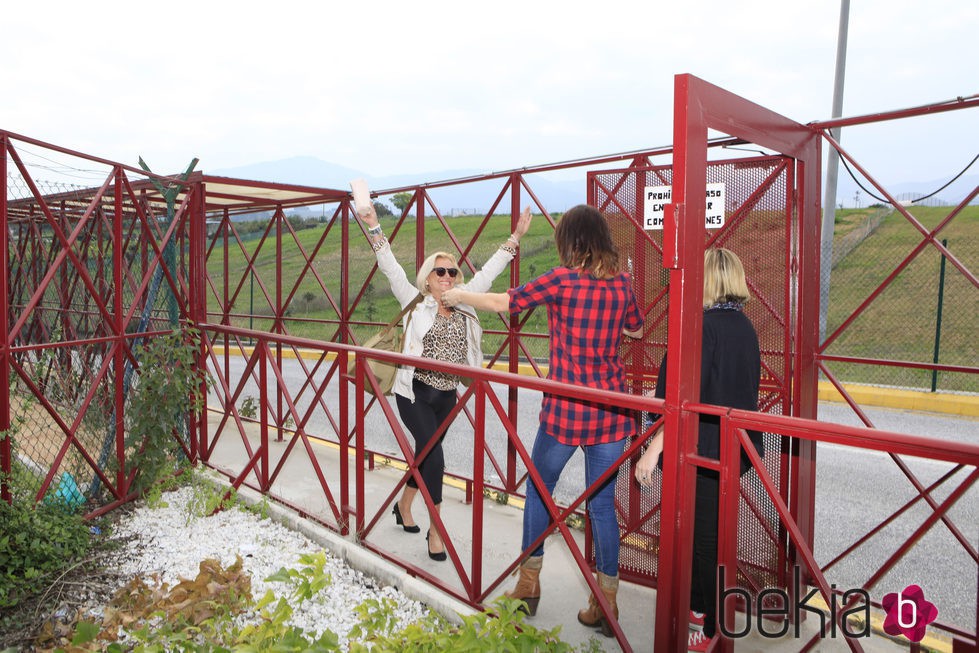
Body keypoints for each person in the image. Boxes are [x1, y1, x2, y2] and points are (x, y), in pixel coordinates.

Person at [441, 204, 643, 637]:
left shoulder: (561, 280)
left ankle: (528, 587)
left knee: (539, 489)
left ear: (569, 241)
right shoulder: (623, 284)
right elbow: (636, 331)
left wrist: (459, 296)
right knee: (602, 507)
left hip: (567, 411)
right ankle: (606, 602)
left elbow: (503, 303)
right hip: (610, 411)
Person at [357, 203, 531, 561]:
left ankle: (403, 506)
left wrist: (515, 238)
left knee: (424, 455)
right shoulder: (415, 302)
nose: (448, 277)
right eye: (440, 272)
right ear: (428, 277)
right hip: (415, 393)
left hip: (447, 395)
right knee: (435, 459)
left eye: (452, 271)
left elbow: (489, 274)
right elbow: (389, 266)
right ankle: (436, 530)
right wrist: (373, 227)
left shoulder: (465, 303)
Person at [635, 247, 763, 652]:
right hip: (732, 448)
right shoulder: (745, 327)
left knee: (702, 540)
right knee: (711, 534)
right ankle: (698, 606)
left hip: (701, 449)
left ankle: (709, 626)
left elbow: (683, 397)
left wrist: (654, 448)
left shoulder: (700, 327)